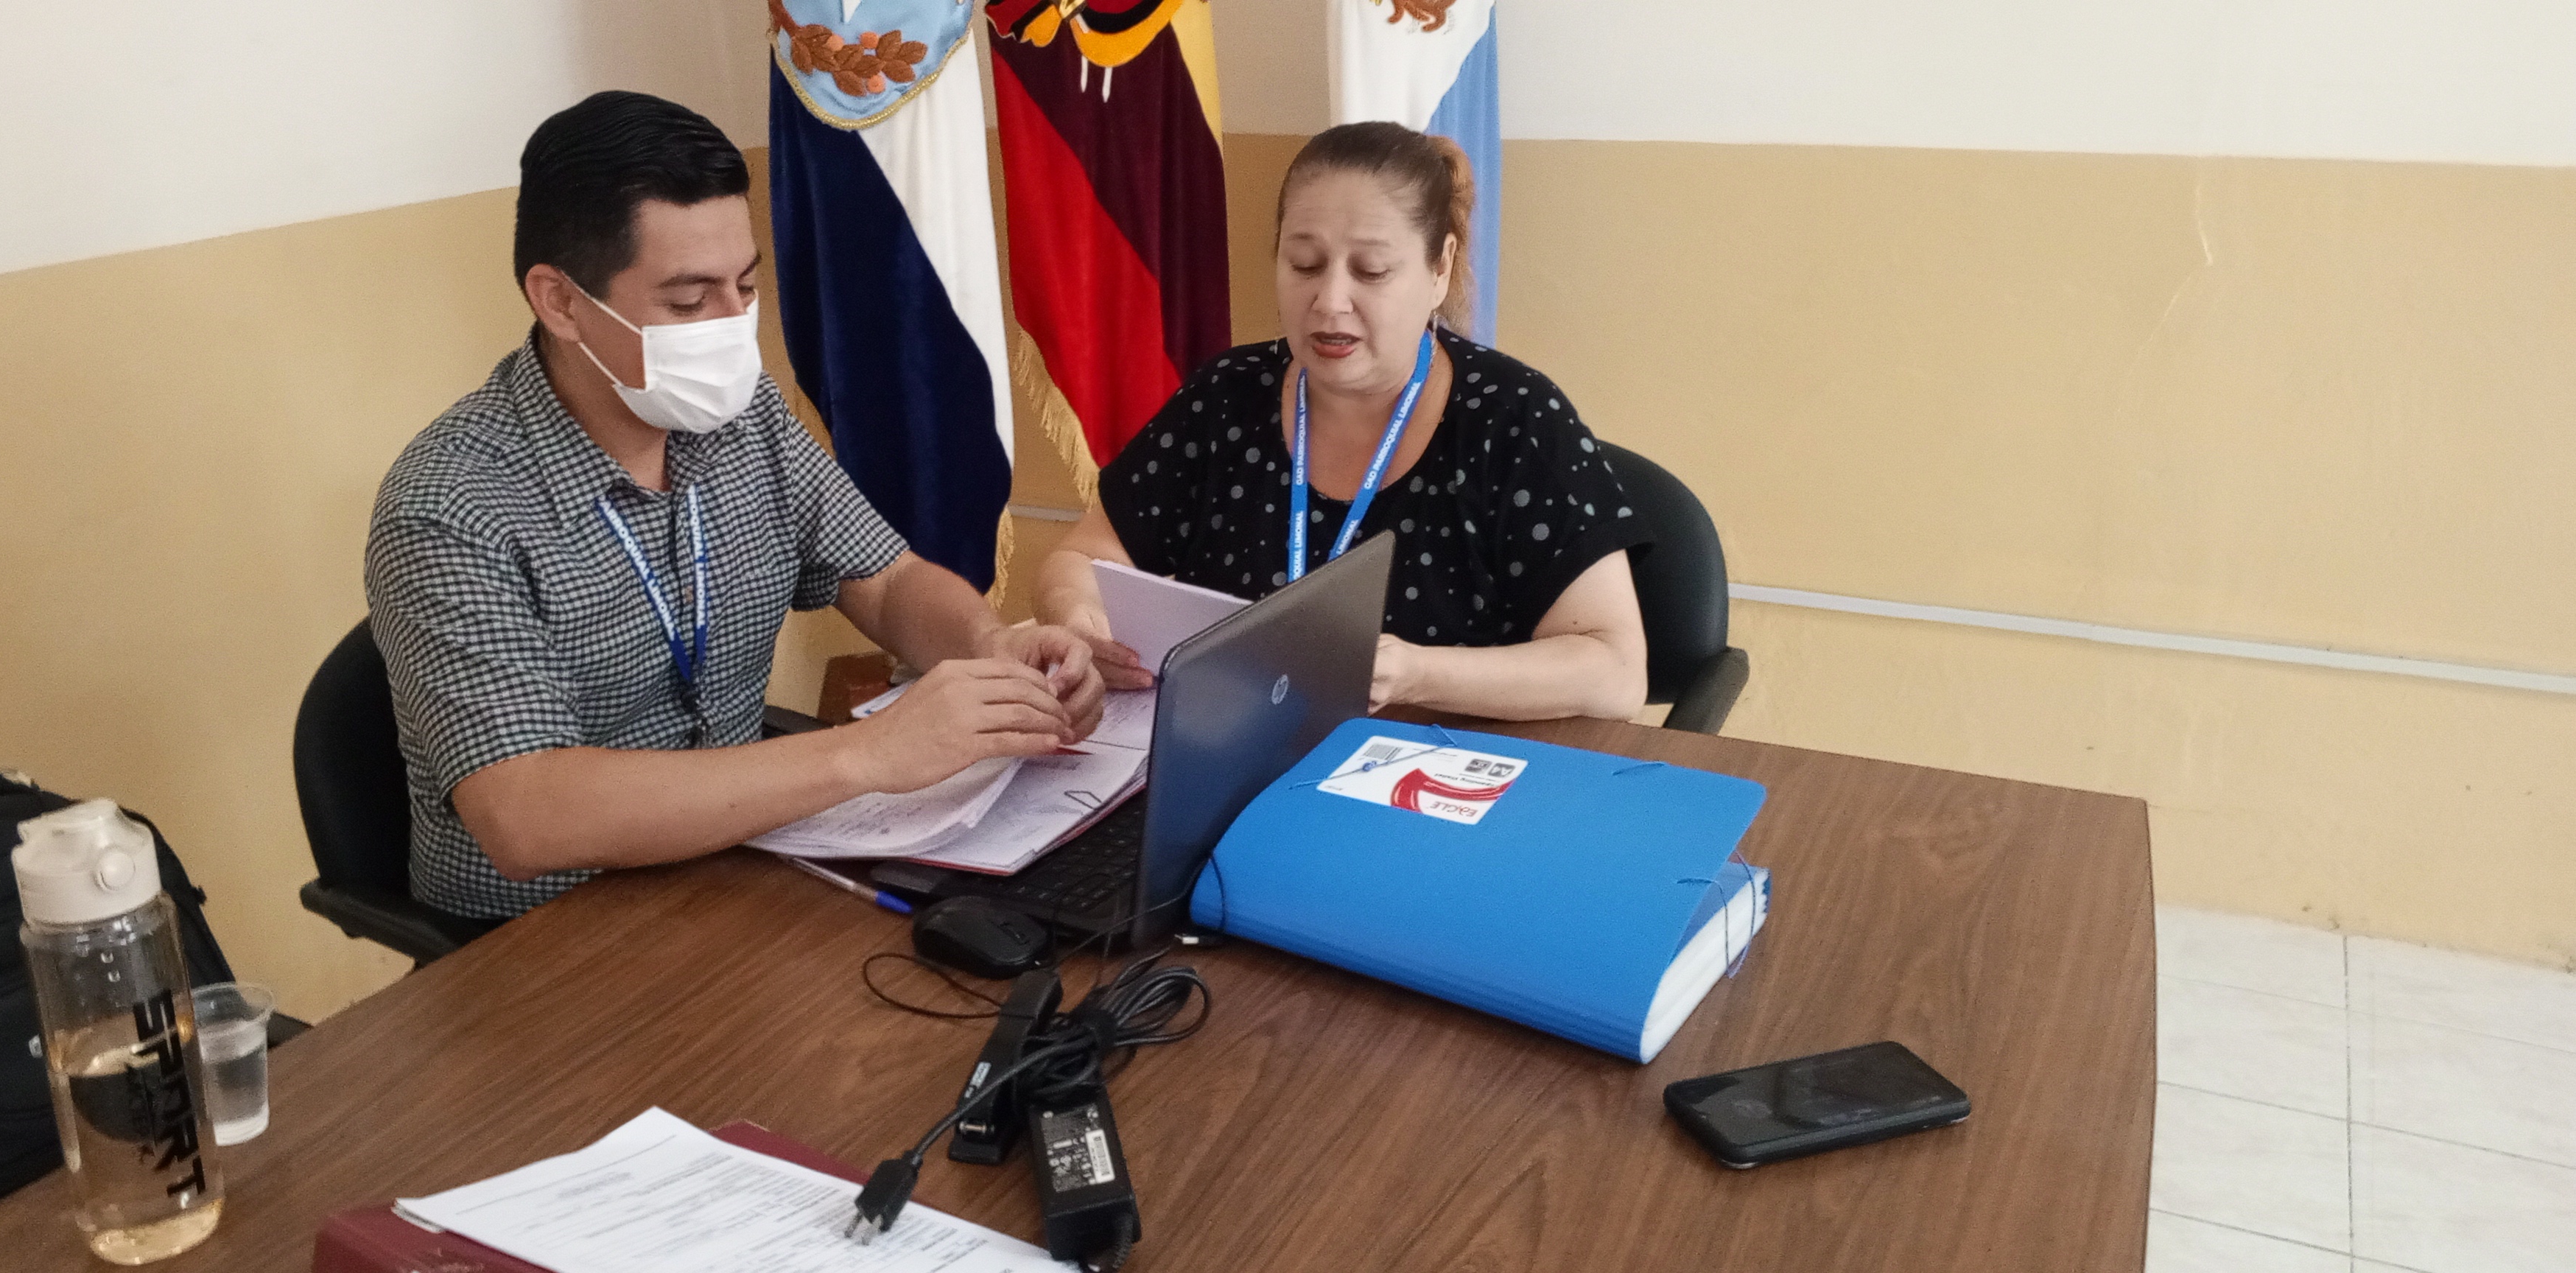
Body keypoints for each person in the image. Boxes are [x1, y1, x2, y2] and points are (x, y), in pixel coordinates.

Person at [366, 92, 1102, 919]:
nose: (731, 327)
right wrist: (868, 753)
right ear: (561, 301)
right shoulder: (449, 505)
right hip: (546, 928)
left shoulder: (741, 416)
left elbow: (888, 581)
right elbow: (526, 815)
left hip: (735, 862)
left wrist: (991, 649)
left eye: (745, 286)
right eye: (688, 302)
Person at [1034, 122, 1652, 720]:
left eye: (1371, 271)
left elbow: (1615, 672)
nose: (1329, 302)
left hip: (1437, 766)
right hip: (1241, 746)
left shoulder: (1514, 419)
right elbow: (1084, 556)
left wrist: (1413, 672)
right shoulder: (1226, 398)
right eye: (1304, 264)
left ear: (1440, 269)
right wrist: (1078, 614)